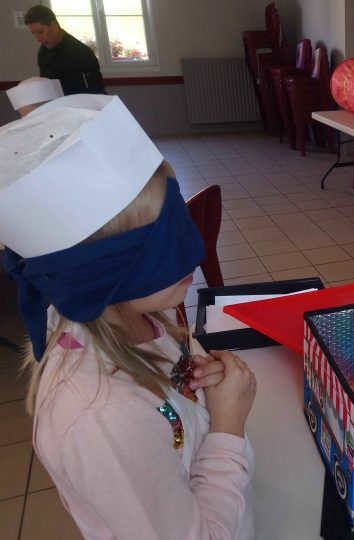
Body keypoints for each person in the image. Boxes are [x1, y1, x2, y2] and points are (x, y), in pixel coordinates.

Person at [0, 94, 256, 539]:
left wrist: (201, 401)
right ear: (100, 273)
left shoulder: (143, 321)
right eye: (164, 245)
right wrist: (230, 424)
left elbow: (171, 426)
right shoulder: (101, 417)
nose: (194, 251)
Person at [24, 5, 105, 95]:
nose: (37, 39)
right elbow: (46, 84)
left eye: (40, 32)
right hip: (58, 104)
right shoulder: (43, 51)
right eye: (33, 33)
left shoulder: (80, 53)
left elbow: (95, 91)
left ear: (54, 26)